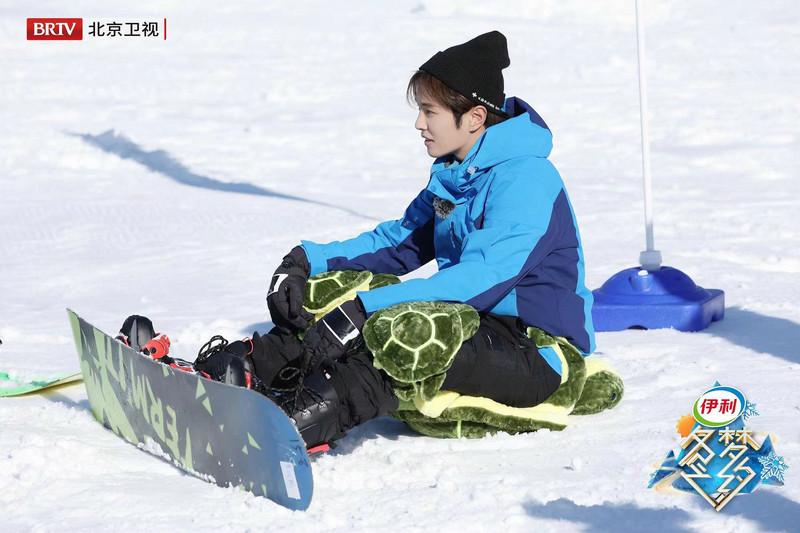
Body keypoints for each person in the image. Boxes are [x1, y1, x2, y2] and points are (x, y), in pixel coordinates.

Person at [177, 30, 595, 450]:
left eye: (429, 112)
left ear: (473, 117)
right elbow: (398, 243)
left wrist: (363, 312)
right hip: (477, 323)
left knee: (409, 326)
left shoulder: (527, 180)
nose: (419, 124)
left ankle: (295, 421)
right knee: (338, 287)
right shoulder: (455, 171)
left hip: (537, 350)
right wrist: (307, 261)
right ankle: (245, 373)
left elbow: (478, 280)